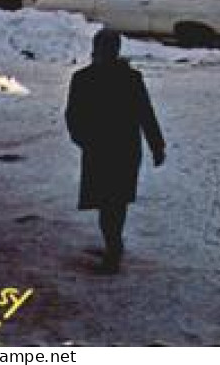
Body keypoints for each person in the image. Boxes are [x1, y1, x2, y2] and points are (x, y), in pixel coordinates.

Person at [65, 29, 166, 274]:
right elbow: (146, 113)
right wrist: (156, 145)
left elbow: (73, 116)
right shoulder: (130, 78)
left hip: (100, 149)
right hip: (124, 149)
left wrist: (84, 140)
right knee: (115, 201)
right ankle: (113, 243)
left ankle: (113, 246)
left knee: (107, 200)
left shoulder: (83, 78)